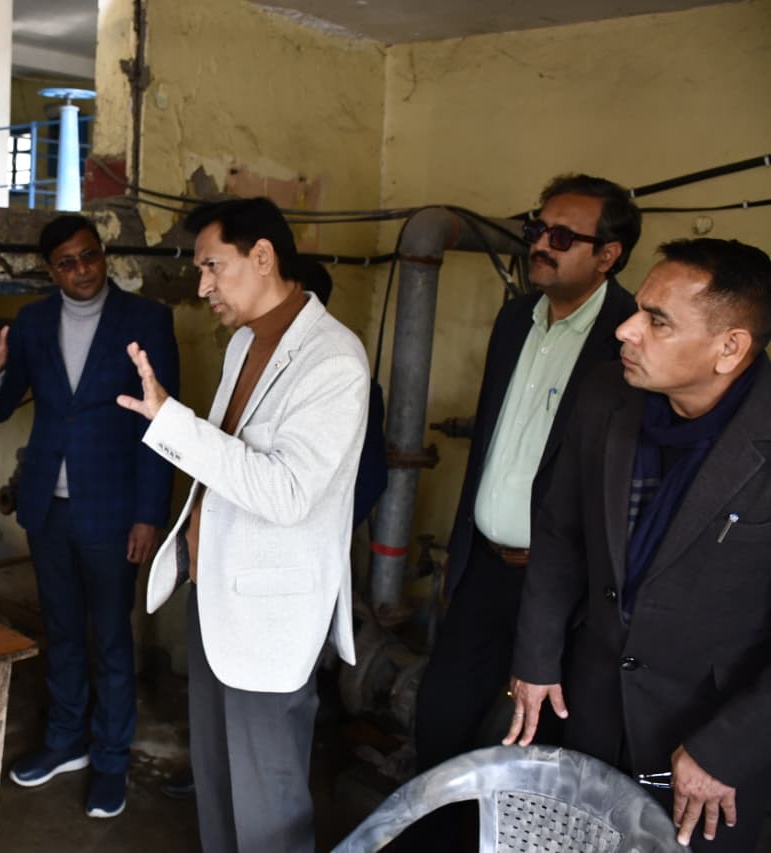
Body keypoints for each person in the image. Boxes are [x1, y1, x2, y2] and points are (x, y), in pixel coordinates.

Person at [117, 197, 369, 852]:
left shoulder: (333, 360)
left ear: (262, 256)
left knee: (268, 805)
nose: (203, 286)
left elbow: (287, 493)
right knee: (219, 784)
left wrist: (172, 422)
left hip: (270, 615)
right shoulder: (243, 344)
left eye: (212, 266)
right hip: (215, 594)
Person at [507, 238, 771, 852]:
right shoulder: (608, 395)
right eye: (637, 311)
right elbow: (560, 532)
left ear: (729, 348)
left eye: (658, 321)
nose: (626, 330)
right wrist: (537, 658)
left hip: (708, 746)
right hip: (590, 707)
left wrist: (727, 747)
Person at [415, 174, 641, 771]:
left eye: (562, 237)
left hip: (569, 586)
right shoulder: (516, 319)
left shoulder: (630, 339)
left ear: (607, 255)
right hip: (486, 567)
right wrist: (461, 554)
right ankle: (436, 824)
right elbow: (489, 446)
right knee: (440, 721)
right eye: (537, 228)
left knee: (543, 748)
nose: (540, 243)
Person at [0, 214, 179, 818]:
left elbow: (161, 426)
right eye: (67, 262)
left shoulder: (147, 319)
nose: (82, 270)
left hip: (114, 509)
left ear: (102, 255)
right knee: (60, 630)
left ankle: (111, 759)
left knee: (110, 636)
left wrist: (149, 514)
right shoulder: (33, 322)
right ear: (50, 270)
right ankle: (66, 741)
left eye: (90, 255)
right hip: (47, 506)